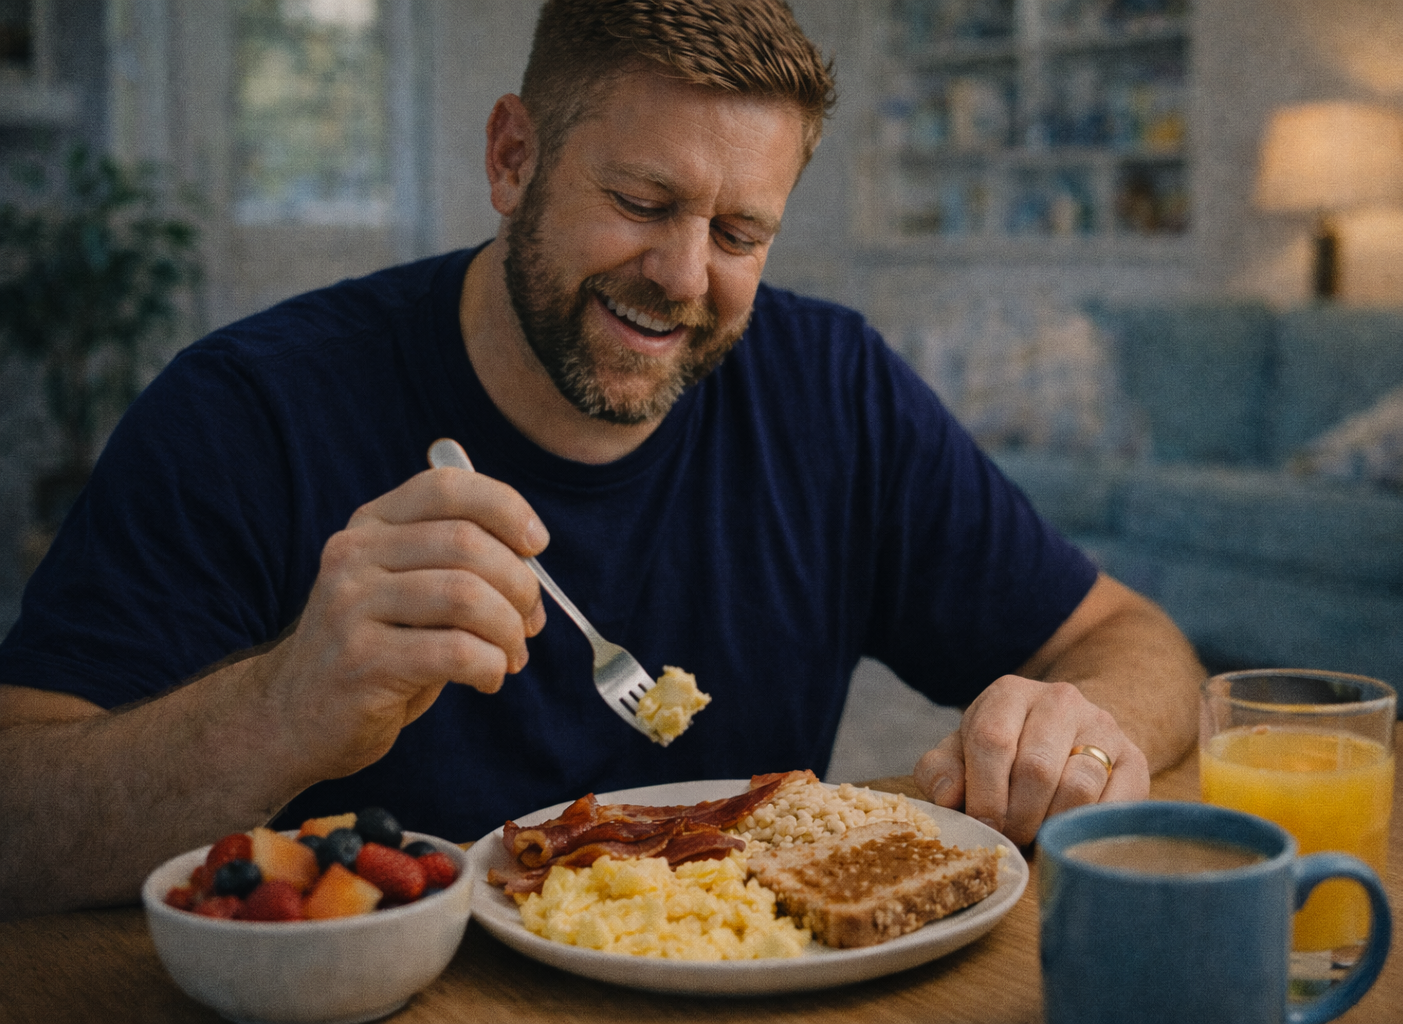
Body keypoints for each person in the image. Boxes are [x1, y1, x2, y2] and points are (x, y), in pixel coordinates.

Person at [0, 0, 1203, 919]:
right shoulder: (249, 408)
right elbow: (20, 816)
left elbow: (1138, 643)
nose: (684, 277)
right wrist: (283, 707)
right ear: (513, 158)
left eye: (739, 233)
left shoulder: (832, 388)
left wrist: (1072, 729)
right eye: (640, 200)